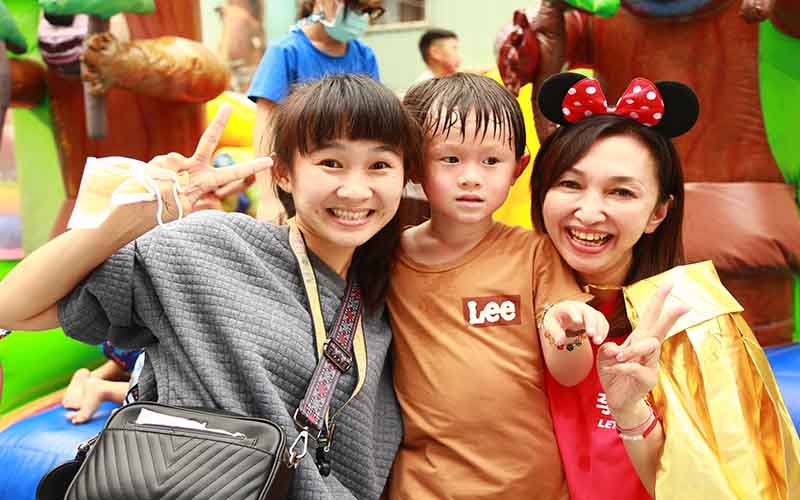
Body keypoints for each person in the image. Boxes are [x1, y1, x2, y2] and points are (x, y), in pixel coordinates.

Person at [0, 74, 421, 499]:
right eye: (331, 162)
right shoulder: (208, 246)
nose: (354, 189)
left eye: (380, 165)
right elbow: (11, 308)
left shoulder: (383, 306)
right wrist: (124, 223)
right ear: (283, 174)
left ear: (403, 176)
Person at [531, 72, 800, 499]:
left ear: (658, 212)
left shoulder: (696, 320)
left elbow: (725, 483)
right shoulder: (508, 290)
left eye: (621, 192)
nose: (588, 211)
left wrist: (629, 409)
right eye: (570, 184)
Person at [387, 72, 621, 499]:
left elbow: (572, 373)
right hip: (424, 486)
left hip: (533, 486)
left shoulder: (533, 254)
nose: (471, 177)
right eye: (450, 159)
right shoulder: (386, 260)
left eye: (491, 161)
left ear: (519, 168)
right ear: (416, 164)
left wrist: (567, 332)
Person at [248, 0, 385, 224]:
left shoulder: (364, 55)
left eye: (369, 11)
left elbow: (375, 129)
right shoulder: (286, 52)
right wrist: (268, 197)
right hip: (299, 185)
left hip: (353, 183)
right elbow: (265, 130)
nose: (362, 17)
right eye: (356, 8)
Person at [61, 341, 142, 424]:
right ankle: (103, 389)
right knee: (150, 389)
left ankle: (93, 376)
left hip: (114, 342)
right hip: (139, 346)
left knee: (133, 363)